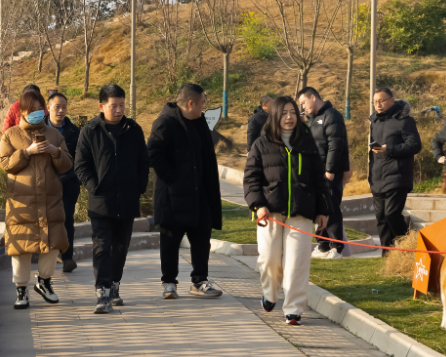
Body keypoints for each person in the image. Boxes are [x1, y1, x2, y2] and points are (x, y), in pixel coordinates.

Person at [243, 96, 330, 326]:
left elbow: (320, 180)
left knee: (297, 263)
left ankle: (293, 310)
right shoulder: (261, 145)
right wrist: (258, 205)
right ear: (275, 116)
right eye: (284, 113)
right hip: (270, 213)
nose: (290, 117)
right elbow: (251, 179)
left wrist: (323, 210)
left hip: (301, 213)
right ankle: (270, 294)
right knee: (270, 259)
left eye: (293, 112)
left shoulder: (308, 143)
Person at [74, 84, 149, 315]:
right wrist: (94, 186)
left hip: (127, 200)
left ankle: (114, 284)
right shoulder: (90, 130)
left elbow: (143, 162)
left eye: (121, 105)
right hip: (101, 201)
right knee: (102, 246)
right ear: (102, 106)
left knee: (120, 246)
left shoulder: (134, 130)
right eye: (113, 105)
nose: (118, 110)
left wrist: (139, 186)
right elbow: (80, 165)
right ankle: (102, 291)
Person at [0, 90, 74, 310]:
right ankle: (21, 290)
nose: (38, 114)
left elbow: (67, 163)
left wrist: (55, 152)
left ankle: (45, 282)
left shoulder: (54, 135)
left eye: (41, 110)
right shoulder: (11, 135)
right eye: (33, 111)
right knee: (20, 247)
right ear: (22, 112)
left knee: (52, 243)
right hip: (22, 202)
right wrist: (26, 152)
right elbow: (3, 163)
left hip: (50, 201)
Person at [148, 83, 223, 300]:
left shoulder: (199, 123)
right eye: (201, 104)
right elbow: (153, 153)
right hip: (173, 197)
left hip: (200, 194)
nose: (203, 108)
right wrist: (173, 179)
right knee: (170, 241)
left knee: (201, 240)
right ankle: (169, 283)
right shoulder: (165, 122)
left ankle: (200, 281)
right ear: (191, 103)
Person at [297, 87, 350, 259]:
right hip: (316, 173)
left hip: (330, 172)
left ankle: (336, 247)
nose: (302, 107)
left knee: (331, 206)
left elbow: (336, 145)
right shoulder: (312, 120)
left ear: (313, 97)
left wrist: (330, 169)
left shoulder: (332, 115)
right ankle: (323, 245)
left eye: (304, 102)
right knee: (319, 207)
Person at [369, 87, 422, 253]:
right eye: (375, 102)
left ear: (392, 100)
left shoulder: (404, 120)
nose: (378, 104)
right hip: (377, 177)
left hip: (398, 176)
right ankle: (387, 254)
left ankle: (408, 245)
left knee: (392, 213)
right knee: (381, 218)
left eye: (381, 101)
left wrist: (389, 149)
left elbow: (415, 145)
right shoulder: (374, 122)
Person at [47, 91, 82, 273]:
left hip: (68, 183)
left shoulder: (74, 132)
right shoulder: (37, 130)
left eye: (64, 107)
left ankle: (67, 257)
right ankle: (49, 254)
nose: (61, 111)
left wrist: (74, 177)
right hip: (45, 184)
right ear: (48, 108)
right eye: (57, 107)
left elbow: (79, 159)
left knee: (67, 217)